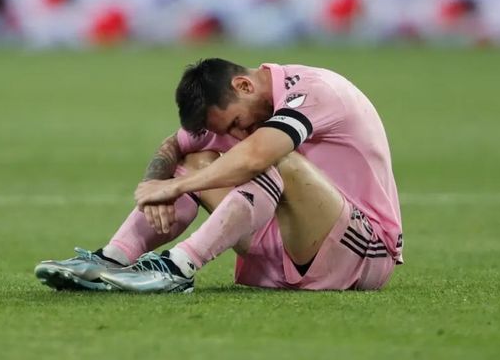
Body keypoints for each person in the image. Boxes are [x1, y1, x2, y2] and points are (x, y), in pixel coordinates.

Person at [35, 58, 403, 292]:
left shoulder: (316, 90)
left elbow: (257, 155)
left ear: (244, 86)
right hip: (286, 254)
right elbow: (175, 144)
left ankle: (178, 268)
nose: (238, 132)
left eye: (236, 122)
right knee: (197, 159)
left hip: (363, 253)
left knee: (273, 157)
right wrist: (156, 184)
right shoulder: (247, 108)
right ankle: (112, 258)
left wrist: (176, 186)